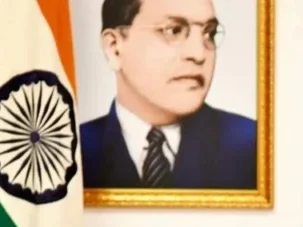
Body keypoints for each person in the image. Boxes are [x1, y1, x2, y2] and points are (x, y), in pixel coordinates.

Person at [80, 0, 257, 190]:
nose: (199, 54)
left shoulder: (253, 146)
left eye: (209, 33)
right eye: (173, 30)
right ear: (114, 48)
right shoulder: (73, 150)